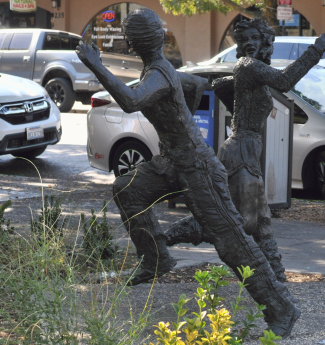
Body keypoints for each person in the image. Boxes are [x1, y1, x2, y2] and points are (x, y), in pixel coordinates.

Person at [76, 8, 300, 337]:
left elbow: (132, 101)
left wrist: (95, 64)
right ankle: (155, 260)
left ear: (131, 43)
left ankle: (281, 308)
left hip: (198, 168)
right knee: (128, 188)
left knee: (232, 243)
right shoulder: (161, 70)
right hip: (173, 161)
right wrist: (180, 126)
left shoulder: (158, 75)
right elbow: (194, 84)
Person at [166, 19, 325, 284]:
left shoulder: (250, 72)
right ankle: (168, 236)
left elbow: (222, 86)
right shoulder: (247, 65)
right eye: (243, 40)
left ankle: (277, 281)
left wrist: (242, 112)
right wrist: (316, 49)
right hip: (240, 151)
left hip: (247, 149)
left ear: (266, 42)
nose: (249, 44)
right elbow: (284, 81)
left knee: (263, 224)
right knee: (241, 221)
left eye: (255, 39)